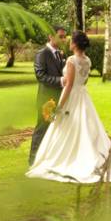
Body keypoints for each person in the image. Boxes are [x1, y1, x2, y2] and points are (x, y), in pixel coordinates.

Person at [26, 31, 111, 183]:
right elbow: (83, 82)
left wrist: (59, 107)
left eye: (71, 40)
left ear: (74, 44)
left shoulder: (72, 60)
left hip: (72, 97)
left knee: (68, 128)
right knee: (84, 127)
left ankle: (67, 159)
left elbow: (69, 85)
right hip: (83, 97)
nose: (68, 42)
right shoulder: (87, 60)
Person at [29, 26, 67, 163]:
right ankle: (33, 161)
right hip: (47, 100)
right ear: (51, 36)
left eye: (64, 36)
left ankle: (50, 159)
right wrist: (61, 80)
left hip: (61, 98)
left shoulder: (62, 54)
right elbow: (40, 76)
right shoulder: (42, 54)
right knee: (42, 128)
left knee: (55, 130)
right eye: (61, 36)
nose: (64, 39)